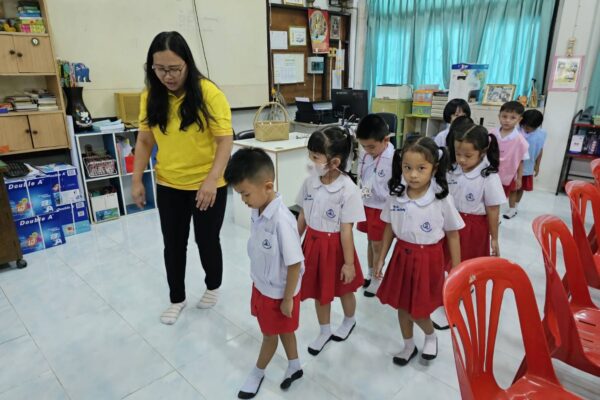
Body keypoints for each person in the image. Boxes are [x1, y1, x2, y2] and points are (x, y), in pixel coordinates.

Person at [133, 31, 233, 325]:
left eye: (175, 68)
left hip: (208, 184)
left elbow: (225, 140)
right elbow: (144, 141)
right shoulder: (151, 96)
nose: (168, 76)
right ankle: (177, 298)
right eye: (160, 69)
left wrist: (212, 180)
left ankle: (212, 285)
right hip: (169, 184)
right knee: (173, 244)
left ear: (187, 64)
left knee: (206, 240)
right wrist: (136, 180)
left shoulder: (208, 93)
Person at [374, 136, 464, 365]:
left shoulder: (441, 198)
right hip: (401, 256)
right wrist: (381, 258)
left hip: (428, 257)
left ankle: (431, 336)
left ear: (434, 168)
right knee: (402, 305)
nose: (413, 175)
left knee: (419, 308)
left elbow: (453, 233)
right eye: (407, 168)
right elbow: (389, 228)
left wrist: (457, 267)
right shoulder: (396, 195)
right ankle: (408, 345)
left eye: (421, 168)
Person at [224, 148, 304, 399]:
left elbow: (294, 263)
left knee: (270, 336)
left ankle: (257, 372)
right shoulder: (258, 209)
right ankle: (295, 365)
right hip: (262, 286)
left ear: (268, 186)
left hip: (279, 293)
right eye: (240, 194)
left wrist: (288, 299)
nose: (243, 200)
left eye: (245, 194)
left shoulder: (282, 221)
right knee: (285, 330)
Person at [296, 127, 365, 355]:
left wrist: (349, 263)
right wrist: (295, 243)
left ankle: (349, 319)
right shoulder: (310, 182)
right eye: (310, 154)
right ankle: (324, 330)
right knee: (319, 291)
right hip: (313, 244)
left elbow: (346, 230)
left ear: (334, 162)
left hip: (336, 247)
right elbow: (303, 214)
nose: (310, 160)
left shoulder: (348, 190)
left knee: (344, 289)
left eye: (315, 157)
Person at [355, 114, 394, 296]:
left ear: (386, 140)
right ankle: (370, 273)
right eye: (364, 146)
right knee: (370, 242)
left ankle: (378, 278)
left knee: (379, 245)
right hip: (367, 203)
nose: (367, 150)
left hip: (382, 208)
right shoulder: (366, 154)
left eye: (371, 146)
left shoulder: (393, 158)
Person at [489, 101, 529, 217]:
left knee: (512, 191)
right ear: (499, 116)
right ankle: (491, 210)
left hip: (510, 172)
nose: (507, 120)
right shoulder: (491, 133)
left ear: (519, 119)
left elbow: (521, 160)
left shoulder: (520, 140)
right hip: (492, 170)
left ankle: (512, 209)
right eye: (504, 116)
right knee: (491, 191)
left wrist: (519, 178)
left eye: (512, 118)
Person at [507, 109, 547, 218]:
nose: (526, 128)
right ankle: (511, 209)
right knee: (513, 188)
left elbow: (540, 150)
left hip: (528, 166)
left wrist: (537, 165)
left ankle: (515, 207)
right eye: (525, 125)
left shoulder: (541, 134)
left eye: (530, 127)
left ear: (537, 126)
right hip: (514, 166)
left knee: (521, 188)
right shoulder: (516, 131)